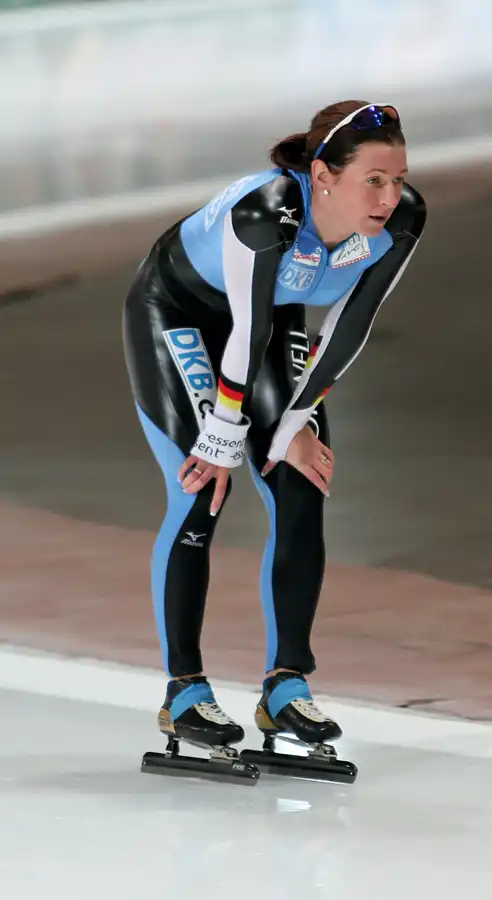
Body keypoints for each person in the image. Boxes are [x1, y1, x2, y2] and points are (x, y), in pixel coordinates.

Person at [123, 100, 427, 769]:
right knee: (202, 490)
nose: (389, 196)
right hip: (179, 314)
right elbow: (245, 330)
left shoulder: (403, 221)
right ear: (322, 175)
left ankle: (286, 683)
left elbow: (349, 328)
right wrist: (223, 435)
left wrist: (294, 425)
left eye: (398, 178)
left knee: (301, 480)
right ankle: (183, 689)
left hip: (267, 324)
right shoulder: (265, 214)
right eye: (373, 180)